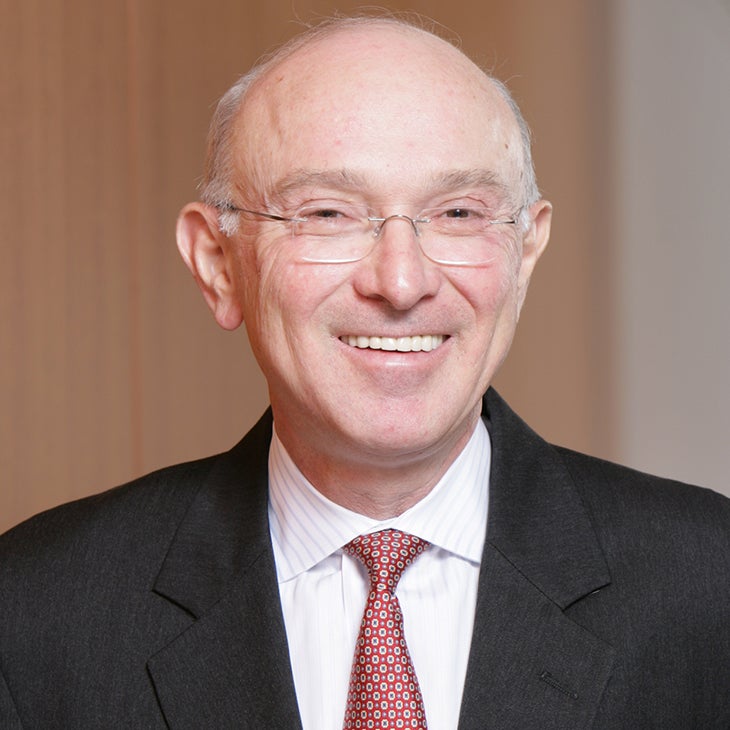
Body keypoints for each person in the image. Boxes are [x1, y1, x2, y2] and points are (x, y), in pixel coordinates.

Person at [1, 14, 728, 730]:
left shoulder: (709, 586)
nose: (402, 282)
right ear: (218, 265)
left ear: (524, 255)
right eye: (328, 214)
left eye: (458, 212)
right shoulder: (36, 612)